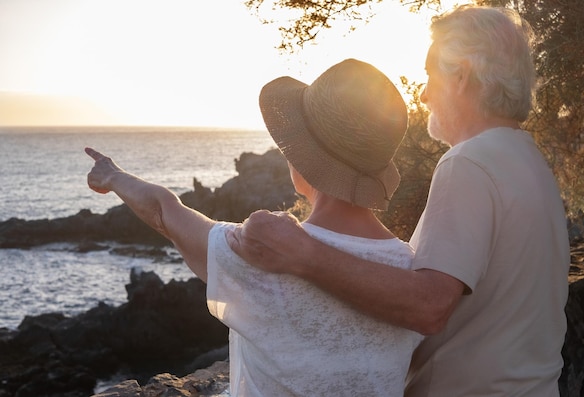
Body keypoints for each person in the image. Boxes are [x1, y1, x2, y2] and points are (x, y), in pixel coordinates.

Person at [227, 4, 571, 397]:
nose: (423, 94)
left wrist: (303, 253)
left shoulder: (469, 163)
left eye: (429, 73)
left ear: (460, 75)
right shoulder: (530, 161)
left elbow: (429, 306)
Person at [85, 58, 424, 396]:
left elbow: (163, 211)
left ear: (305, 160)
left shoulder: (259, 256)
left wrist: (112, 176)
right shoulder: (412, 272)